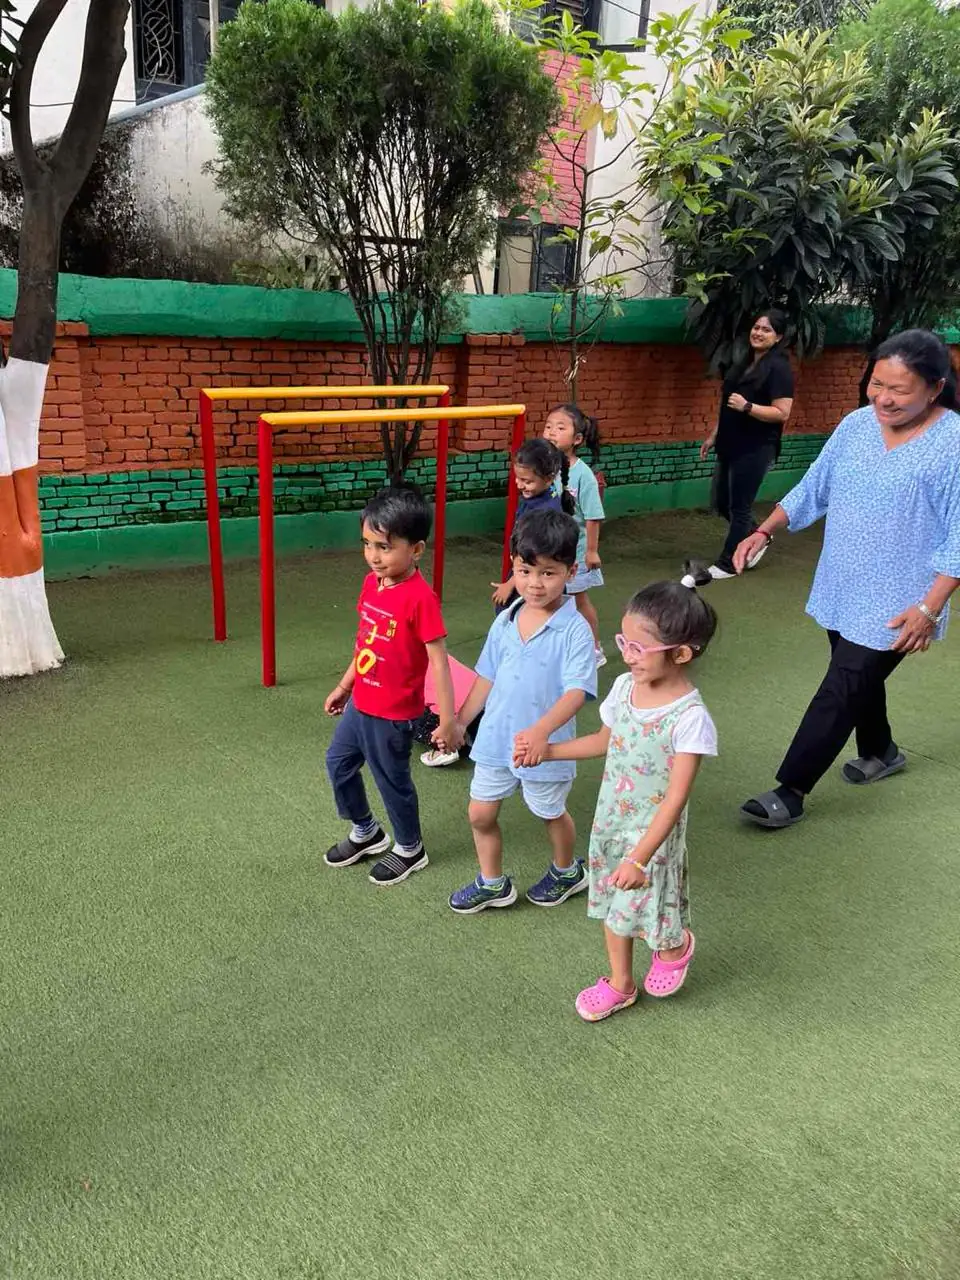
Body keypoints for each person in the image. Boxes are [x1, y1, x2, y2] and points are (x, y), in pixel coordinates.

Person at [736, 328, 960, 829]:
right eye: (877, 383)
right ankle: (881, 750)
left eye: (899, 389)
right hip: (842, 582)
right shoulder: (857, 425)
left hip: (902, 599)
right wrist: (765, 531)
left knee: (844, 683)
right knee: (855, 673)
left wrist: (930, 607)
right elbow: (815, 486)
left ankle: (790, 790)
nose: (883, 398)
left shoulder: (954, 445)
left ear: (935, 387)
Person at [522, 581, 718, 1020]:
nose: (627, 654)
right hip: (613, 820)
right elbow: (601, 741)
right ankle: (621, 983)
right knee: (616, 907)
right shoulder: (624, 687)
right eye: (623, 642)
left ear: (680, 654)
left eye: (638, 647)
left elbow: (675, 798)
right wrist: (546, 751)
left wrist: (641, 858)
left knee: (650, 906)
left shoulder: (690, 718)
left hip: (653, 837)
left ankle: (674, 945)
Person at [448, 508, 598, 913]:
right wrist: (461, 722)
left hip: (543, 749)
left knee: (550, 812)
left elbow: (578, 692)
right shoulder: (506, 620)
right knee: (480, 813)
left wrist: (540, 732)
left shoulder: (575, 629)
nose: (534, 583)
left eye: (548, 573)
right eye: (525, 570)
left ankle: (567, 872)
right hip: (496, 740)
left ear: (570, 571)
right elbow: (486, 677)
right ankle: (493, 883)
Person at [323, 483, 460, 884]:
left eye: (384, 547)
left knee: (391, 781)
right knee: (338, 764)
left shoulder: (420, 598)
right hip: (360, 703)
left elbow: (439, 663)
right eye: (367, 545)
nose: (374, 557)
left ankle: (410, 847)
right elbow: (365, 644)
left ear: (415, 549)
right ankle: (366, 831)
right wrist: (345, 685)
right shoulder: (371, 585)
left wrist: (448, 720)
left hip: (393, 713)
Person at [683, 310, 795, 586]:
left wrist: (749, 407)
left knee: (739, 505)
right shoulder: (743, 362)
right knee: (721, 502)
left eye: (766, 330)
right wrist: (713, 435)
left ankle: (729, 562)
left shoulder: (779, 368)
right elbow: (727, 407)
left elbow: (782, 412)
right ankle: (758, 535)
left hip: (756, 446)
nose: (758, 333)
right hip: (729, 441)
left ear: (778, 337)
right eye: (756, 327)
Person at [543, 403, 607, 665]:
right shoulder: (546, 467)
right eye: (548, 426)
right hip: (552, 549)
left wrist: (591, 550)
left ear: (577, 439)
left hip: (577, 552)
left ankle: (594, 648)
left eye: (560, 427)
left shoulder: (583, 475)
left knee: (579, 600)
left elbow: (593, 517)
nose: (551, 432)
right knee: (552, 598)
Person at [490, 438, 574, 609]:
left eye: (527, 481)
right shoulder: (537, 497)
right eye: (518, 478)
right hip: (527, 567)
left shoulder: (544, 513)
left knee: (513, 610)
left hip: (535, 573)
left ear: (549, 479)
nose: (520, 485)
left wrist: (511, 584)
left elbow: (538, 559)